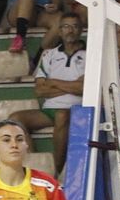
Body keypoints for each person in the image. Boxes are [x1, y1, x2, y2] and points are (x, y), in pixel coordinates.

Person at [12, 12, 87, 173]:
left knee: (61, 115)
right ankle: (34, 166)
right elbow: (39, 90)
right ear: (59, 31)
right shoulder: (49, 55)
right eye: (66, 26)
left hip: (77, 110)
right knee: (15, 119)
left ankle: (56, 170)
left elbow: (84, 89)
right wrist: (71, 85)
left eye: (74, 26)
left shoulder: (90, 55)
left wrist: (52, 83)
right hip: (49, 109)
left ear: (81, 30)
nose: (70, 30)